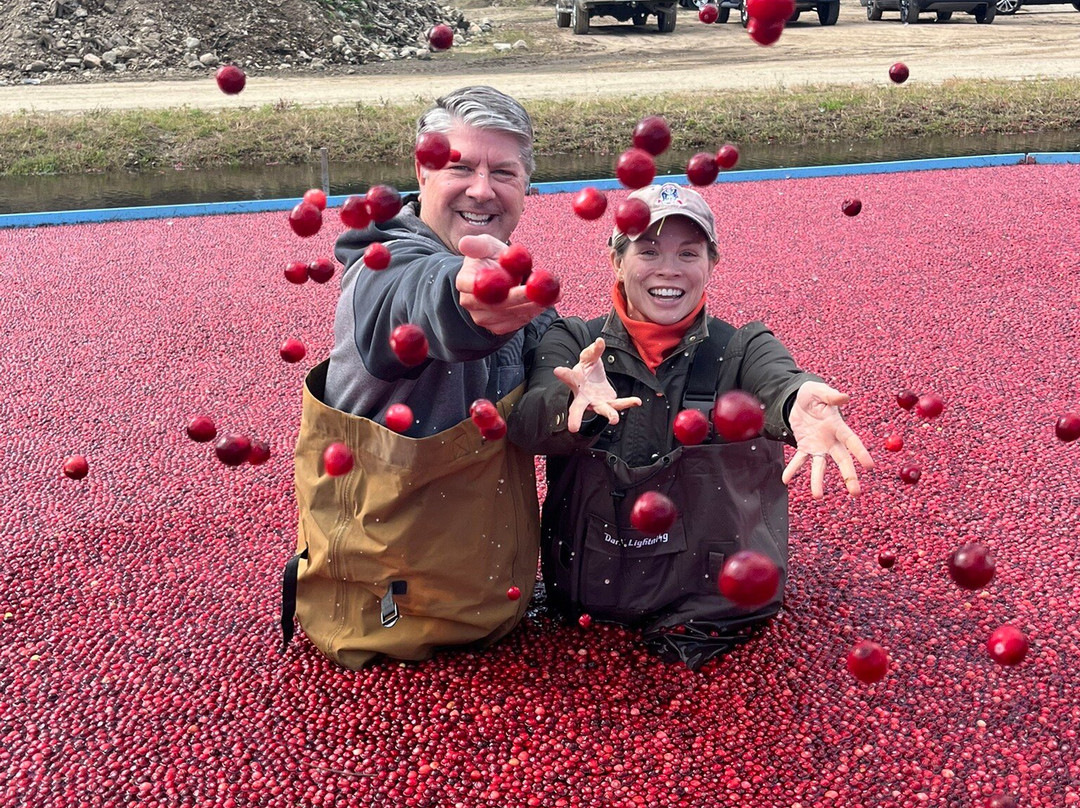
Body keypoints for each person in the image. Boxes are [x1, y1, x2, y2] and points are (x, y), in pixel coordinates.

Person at [507, 182, 873, 670]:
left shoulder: (741, 349)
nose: (669, 269)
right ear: (616, 261)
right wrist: (575, 404)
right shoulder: (572, 340)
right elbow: (529, 425)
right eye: (648, 251)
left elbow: (779, 380)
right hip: (588, 600)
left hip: (716, 604)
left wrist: (796, 403)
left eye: (688, 252)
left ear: (711, 263)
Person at [281, 86, 557, 670]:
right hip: (382, 628)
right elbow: (414, 301)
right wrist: (462, 303)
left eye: (503, 172)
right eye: (460, 167)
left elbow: (555, 346)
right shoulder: (382, 269)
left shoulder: (512, 284)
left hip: (492, 612)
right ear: (422, 170)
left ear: (526, 186)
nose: (481, 189)